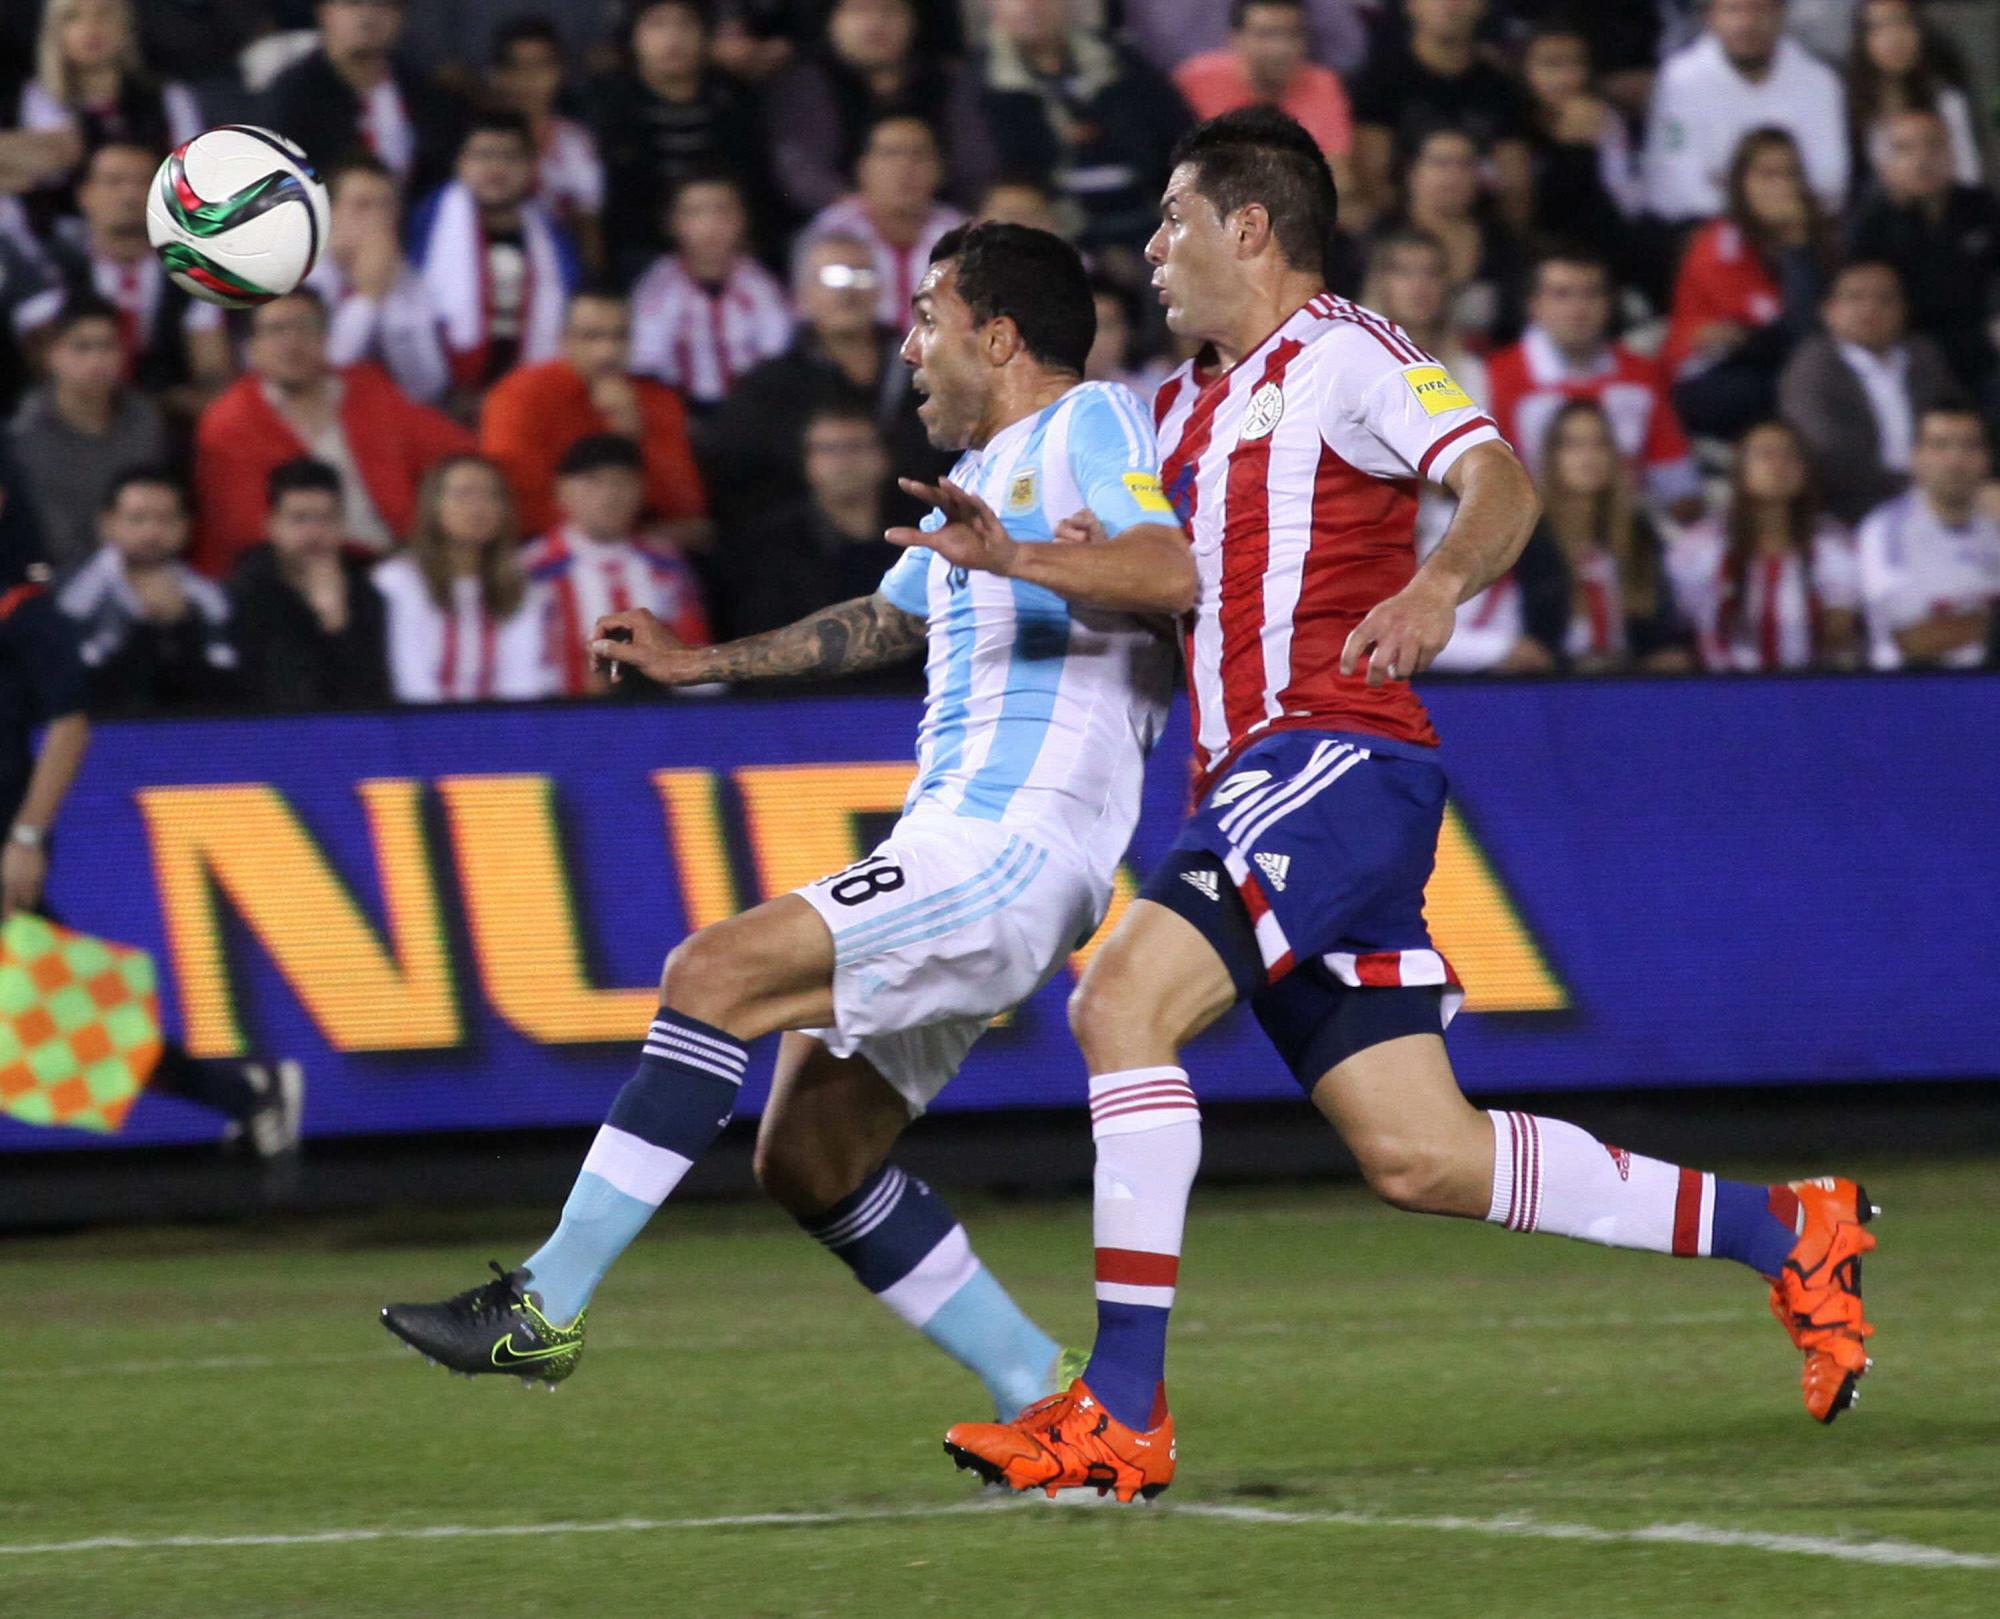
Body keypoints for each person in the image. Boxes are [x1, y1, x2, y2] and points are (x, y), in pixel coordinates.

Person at [941, 109, 1876, 1506]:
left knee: (1117, 1002)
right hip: (1267, 788)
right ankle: (1790, 1230)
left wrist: (1439, 584)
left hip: (1333, 758)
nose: (1150, 252)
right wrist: (1060, 559)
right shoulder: (1189, 405)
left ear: (1249, 227)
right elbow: (1192, 582)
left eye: (1173, 220)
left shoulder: (1352, 356)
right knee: (1423, 1153)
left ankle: (1117, 1409)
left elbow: (1493, 479)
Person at [378, 222, 1192, 1431]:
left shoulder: (1090, 423)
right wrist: (699, 659)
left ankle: (544, 1301)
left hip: (1015, 839)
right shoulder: (984, 490)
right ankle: (1044, 1397)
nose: (909, 345)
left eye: (929, 316)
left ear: (1001, 335)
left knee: (711, 972)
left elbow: (1169, 568)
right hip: (954, 845)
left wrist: (1016, 551)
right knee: (807, 1153)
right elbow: (881, 618)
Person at [2, 519, 303, 1158]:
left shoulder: (24, 610)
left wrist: (26, 836)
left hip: (7, 832)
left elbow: (69, 725)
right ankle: (243, 1095)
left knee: (56, 1022)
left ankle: (245, 1095)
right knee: (55, 1023)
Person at [192, 290, 475, 576]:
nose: (292, 342)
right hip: (294, 574)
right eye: (276, 330)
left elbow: (459, 456)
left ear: (326, 337)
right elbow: (246, 529)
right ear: (251, 348)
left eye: (305, 327)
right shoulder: (230, 423)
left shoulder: (368, 388)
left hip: (405, 562)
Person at [703, 233, 946, 529]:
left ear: (882, 289)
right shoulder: (767, 388)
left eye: (862, 276)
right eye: (832, 279)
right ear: (802, 295)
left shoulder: (928, 374)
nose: (848, 292)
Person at [479, 288, 709, 544]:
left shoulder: (656, 399)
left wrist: (633, 435)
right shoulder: (519, 395)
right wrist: (611, 537)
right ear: (564, 341)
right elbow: (519, 501)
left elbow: (685, 507)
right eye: (591, 337)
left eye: (619, 337)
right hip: (548, 546)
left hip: (640, 548)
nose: (607, 352)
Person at [1487, 251, 1702, 519]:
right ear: (1534, 305)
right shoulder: (1494, 376)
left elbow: (1677, 487)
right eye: (1562, 294)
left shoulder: (1641, 375)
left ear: (1610, 303)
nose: (1578, 308)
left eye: (1591, 293)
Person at [21, 141, 230, 413]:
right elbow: (40, 369)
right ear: (85, 195)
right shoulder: (53, 270)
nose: (130, 194)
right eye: (114, 181)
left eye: (143, 182)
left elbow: (213, 372)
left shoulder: (193, 275)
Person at [969, 0, 1190, 256]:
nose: (1030, 6)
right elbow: (983, 173)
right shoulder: (981, 79)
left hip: (1148, 219)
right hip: (1054, 234)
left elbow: (1179, 140)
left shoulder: (1119, 59)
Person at [1662, 127, 1831, 441]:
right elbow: (1782, 329)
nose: (1782, 187)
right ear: (1742, 183)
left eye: (1791, 174)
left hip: (1777, 364)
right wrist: (1796, 245)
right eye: (1767, 175)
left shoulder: (1821, 238)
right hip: (1712, 375)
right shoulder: (1717, 242)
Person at [760, 0, 993, 221]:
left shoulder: (946, 81)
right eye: (860, 10)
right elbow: (802, 171)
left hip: (942, 223)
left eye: (889, 10)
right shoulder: (806, 84)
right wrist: (865, 215)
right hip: (837, 228)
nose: (876, 23)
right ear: (832, 21)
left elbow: (974, 166)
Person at [1777, 259, 1965, 526]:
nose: (1870, 308)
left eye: (1885, 299)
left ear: (1903, 311)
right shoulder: (1813, 367)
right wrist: (1931, 490)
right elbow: (1831, 455)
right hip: (1850, 515)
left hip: (1943, 505)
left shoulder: (1924, 356)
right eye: (1855, 297)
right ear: (1829, 311)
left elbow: (1961, 423)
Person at [409, 113, 582, 396]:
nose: (496, 168)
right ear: (460, 163)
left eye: (510, 157)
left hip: (530, 389)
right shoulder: (427, 225)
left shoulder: (554, 237)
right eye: (483, 155)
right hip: (442, 390)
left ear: (531, 167)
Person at [524, 434, 710, 696]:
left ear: (641, 490)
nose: (609, 494)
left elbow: (695, 652)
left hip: (659, 723)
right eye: (593, 481)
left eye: (622, 481)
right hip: (556, 724)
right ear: (561, 490)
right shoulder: (532, 570)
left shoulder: (666, 565)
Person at [1668, 419, 1860, 670]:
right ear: (1740, 469)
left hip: (1810, 691)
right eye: (1765, 454)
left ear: (1805, 470)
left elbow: (1842, 635)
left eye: (1790, 454)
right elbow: (1683, 630)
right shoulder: (1699, 546)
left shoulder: (1832, 542)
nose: (1779, 464)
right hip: (1721, 693)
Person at [592, 0, 765, 278]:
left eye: (685, 24)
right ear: (633, 36)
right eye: (657, 24)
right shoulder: (609, 105)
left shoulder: (733, 98)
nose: (673, 38)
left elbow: (756, 182)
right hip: (642, 251)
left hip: (728, 246)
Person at [0, 0, 201, 234]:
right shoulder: (40, 97)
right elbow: (49, 167)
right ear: (55, 32)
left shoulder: (168, 97)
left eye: (104, 14)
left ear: (126, 26)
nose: (91, 27)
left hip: (157, 228)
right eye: (73, 17)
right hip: (63, 234)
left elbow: (190, 176)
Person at [1643, 0, 1848, 225]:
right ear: (1709, 18)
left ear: (1781, 16)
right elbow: (1677, 183)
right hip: (1700, 229)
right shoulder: (1680, 79)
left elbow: (1830, 181)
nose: (1747, 23)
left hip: (1799, 228)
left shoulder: (1819, 81)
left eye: (1760, 10)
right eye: (1734, 10)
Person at [1846, 108, 2000, 403]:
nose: (1922, 159)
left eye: (1933, 144)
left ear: (1952, 152)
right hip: (1911, 352)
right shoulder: (1869, 225)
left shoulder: (1980, 205)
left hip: (1984, 341)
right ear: (1884, 164)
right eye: (1905, 149)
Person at [373, 453, 553, 702]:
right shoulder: (398, 580)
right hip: (420, 728)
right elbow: (409, 677)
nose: (478, 507)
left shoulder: (523, 584)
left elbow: (523, 677)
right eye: (464, 494)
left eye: (491, 495)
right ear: (433, 505)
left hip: (503, 732)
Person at [8, 294, 167, 575]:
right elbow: (50, 537)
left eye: (107, 346)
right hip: (55, 577)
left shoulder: (145, 421)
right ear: (53, 354)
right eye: (81, 347)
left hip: (146, 565)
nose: (97, 359)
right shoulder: (26, 434)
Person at [1530, 399, 1694, 672]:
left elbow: (1660, 625)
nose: (1588, 456)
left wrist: (1661, 655)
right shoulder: (1529, 538)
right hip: (1548, 683)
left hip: (1629, 682)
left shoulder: (1640, 533)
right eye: (1573, 444)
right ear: (1552, 457)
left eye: (1599, 444)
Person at [56, 469, 237, 713]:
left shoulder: (210, 599)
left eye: (165, 519)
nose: (151, 533)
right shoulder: (69, 598)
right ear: (107, 523)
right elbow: (68, 685)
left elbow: (228, 690)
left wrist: (180, 626)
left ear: (186, 526)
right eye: (137, 518)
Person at [1347, 0, 1533, 232]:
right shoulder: (1379, 79)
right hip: (1400, 232)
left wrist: (1504, 243)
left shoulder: (1501, 87)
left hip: (1484, 231)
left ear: (1483, 6)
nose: (1450, 5)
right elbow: (1372, 177)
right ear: (1410, 5)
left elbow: (1516, 186)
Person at [722, 404, 904, 638]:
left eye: (856, 447)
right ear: (807, 461)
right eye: (828, 449)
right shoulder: (769, 548)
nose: (843, 461)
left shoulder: (921, 533)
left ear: (885, 456)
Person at [226, 457, 392, 711]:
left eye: (325, 518)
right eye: (299, 518)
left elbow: (376, 690)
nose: (314, 532)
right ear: (272, 525)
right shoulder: (244, 594)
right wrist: (324, 622)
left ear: (341, 524)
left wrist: (339, 626)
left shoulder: (369, 591)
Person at [628, 171, 794, 412]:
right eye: (694, 213)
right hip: (680, 409)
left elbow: (777, 352)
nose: (710, 225)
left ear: (742, 220)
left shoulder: (762, 285)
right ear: (673, 223)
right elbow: (646, 362)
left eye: (722, 211)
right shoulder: (656, 287)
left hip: (753, 408)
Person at [262, 0, 457, 200]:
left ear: (402, 16)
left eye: (382, 5)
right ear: (324, 13)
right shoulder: (291, 97)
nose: (368, 15)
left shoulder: (426, 93)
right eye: (353, 3)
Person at [1855, 405, 2000, 669]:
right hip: (1918, 691)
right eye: (1940, 445)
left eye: (1970, 446)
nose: (1955, 460)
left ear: (1987, 459)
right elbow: (1913, 640)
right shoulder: (1886, 529)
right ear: (1916, 458)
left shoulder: (1994, 521)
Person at [303, 155, 452, 406]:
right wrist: (367, 299)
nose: (377, 219)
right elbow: (323, 374)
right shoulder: (301, 276)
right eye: (362, 205)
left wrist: (388, 295)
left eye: (386, 206)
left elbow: (428, 385)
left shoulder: (408, 278)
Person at [1172, 0, 1354, 198]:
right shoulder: (1194, 81)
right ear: (1234, 38)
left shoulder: (1322, 83)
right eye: (1267, 34)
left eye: (1294, 34)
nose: (1282, 48)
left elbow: (1340, 182)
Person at [801, 115, 966, 331]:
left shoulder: (963, 236)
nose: (905, 167)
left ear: (940, 169)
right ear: (863, 167)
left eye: (918, 155)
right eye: (889, 154)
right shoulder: (830, 231)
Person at [1372, 126, 1524, 350]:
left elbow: (1514, 325)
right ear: (1411, 171)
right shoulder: (1377, 237)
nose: (1454, 176)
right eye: (1441, 163)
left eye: (1466, 165)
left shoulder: (1503, 243)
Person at [1517, 23, 1643, 276]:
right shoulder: (1511, 124)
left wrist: (1585, 145)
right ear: (1525, 70)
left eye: (1577, 64)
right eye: (1552, 65)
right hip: (1528, 248)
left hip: (1598, 245)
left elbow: (1625, 199)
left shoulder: (1605, 119)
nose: (1567, 77)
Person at [488, 17, 604, 267]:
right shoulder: (477, 140)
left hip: (556, 265)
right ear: (497, 75)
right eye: (517, 67)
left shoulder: (575, 141)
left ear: (560, 73)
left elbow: (587, 223)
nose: (529, 79)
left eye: (541, 66)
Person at [1842, 0, 1980, 196]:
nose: (1894, 38)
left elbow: (1968, 175)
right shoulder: (1850, 105)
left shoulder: (1946, 99)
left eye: (1902, 23)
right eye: (1879, 28)